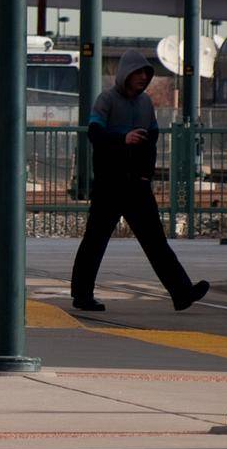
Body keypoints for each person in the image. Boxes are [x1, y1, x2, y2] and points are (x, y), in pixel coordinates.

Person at [70, 50, 209, 312]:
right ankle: (81, 294)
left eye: (146, 74)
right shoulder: (106, 100)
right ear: (126, 74)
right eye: (139, 74)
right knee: (95, 240)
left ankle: (182, 292)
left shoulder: (146, 103)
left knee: (155, 241)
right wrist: (122, 140)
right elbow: (95, 133)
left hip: (137, 185)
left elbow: (152, 138)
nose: (143, 79)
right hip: (110, 185)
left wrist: (147, 172)